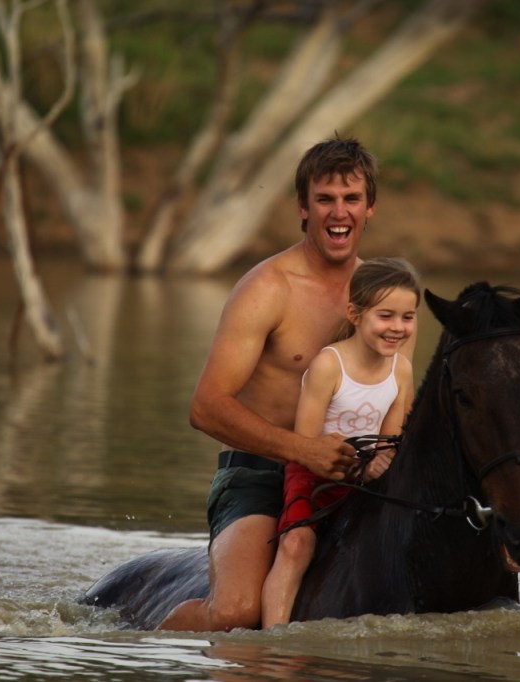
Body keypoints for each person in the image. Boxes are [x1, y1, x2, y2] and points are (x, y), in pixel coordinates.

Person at [157, 136, 416, 632]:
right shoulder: (267, 288)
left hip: (354, 481)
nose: (338, 211)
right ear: (303, 207)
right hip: (258, 475)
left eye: (351, 198)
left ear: (370, 208)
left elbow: (396, 415)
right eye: (324, 198)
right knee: (237, 613)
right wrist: (304, 450)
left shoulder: (387, 303)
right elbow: (206, 407)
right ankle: (140, 645)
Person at [260, 257, 420, 628]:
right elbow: (305, 441)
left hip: (365, 480)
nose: (397, 327)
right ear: (355, 313)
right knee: (297, 544)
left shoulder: (403, 370)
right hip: (314, 473)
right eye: (386, 316)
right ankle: (274, 636)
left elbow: (390, 441)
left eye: (407, 317)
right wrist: (353, 465)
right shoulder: (329, 365)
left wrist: (381, 462)